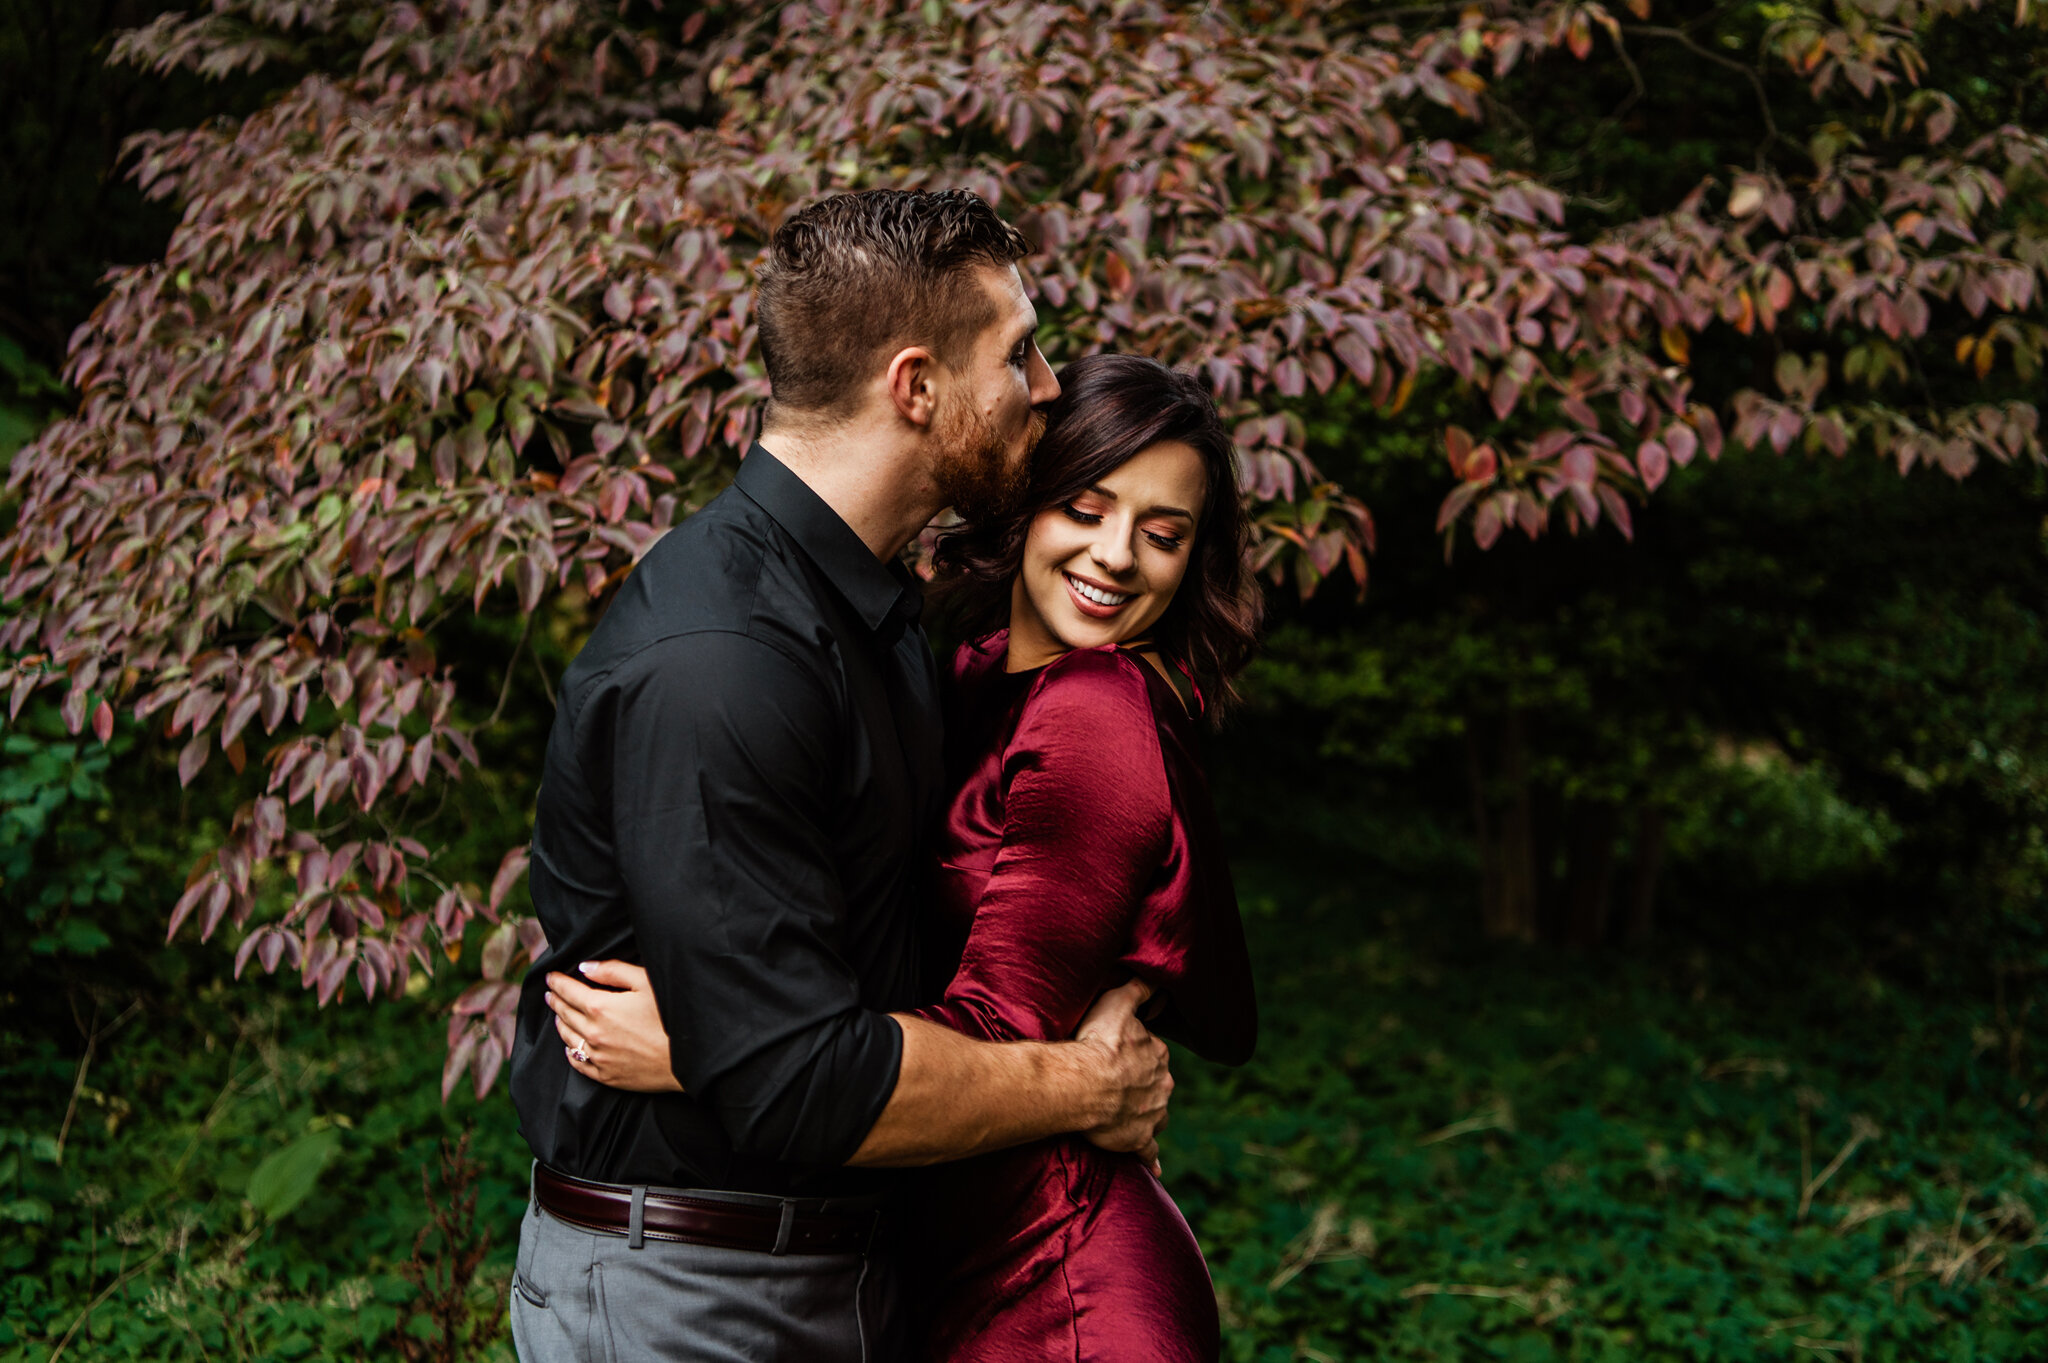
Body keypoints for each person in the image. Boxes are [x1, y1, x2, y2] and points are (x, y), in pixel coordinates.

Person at [506, 191, 1179, 1363]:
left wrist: (712, 1045)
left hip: (838, 1268)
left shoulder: (866, 612)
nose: (1047, 383)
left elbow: (871, 975)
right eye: (1016, 349)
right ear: (914, 386)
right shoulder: (723, 662)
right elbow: (801, 1083)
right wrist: (1081, 1088)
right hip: (694, 1292)